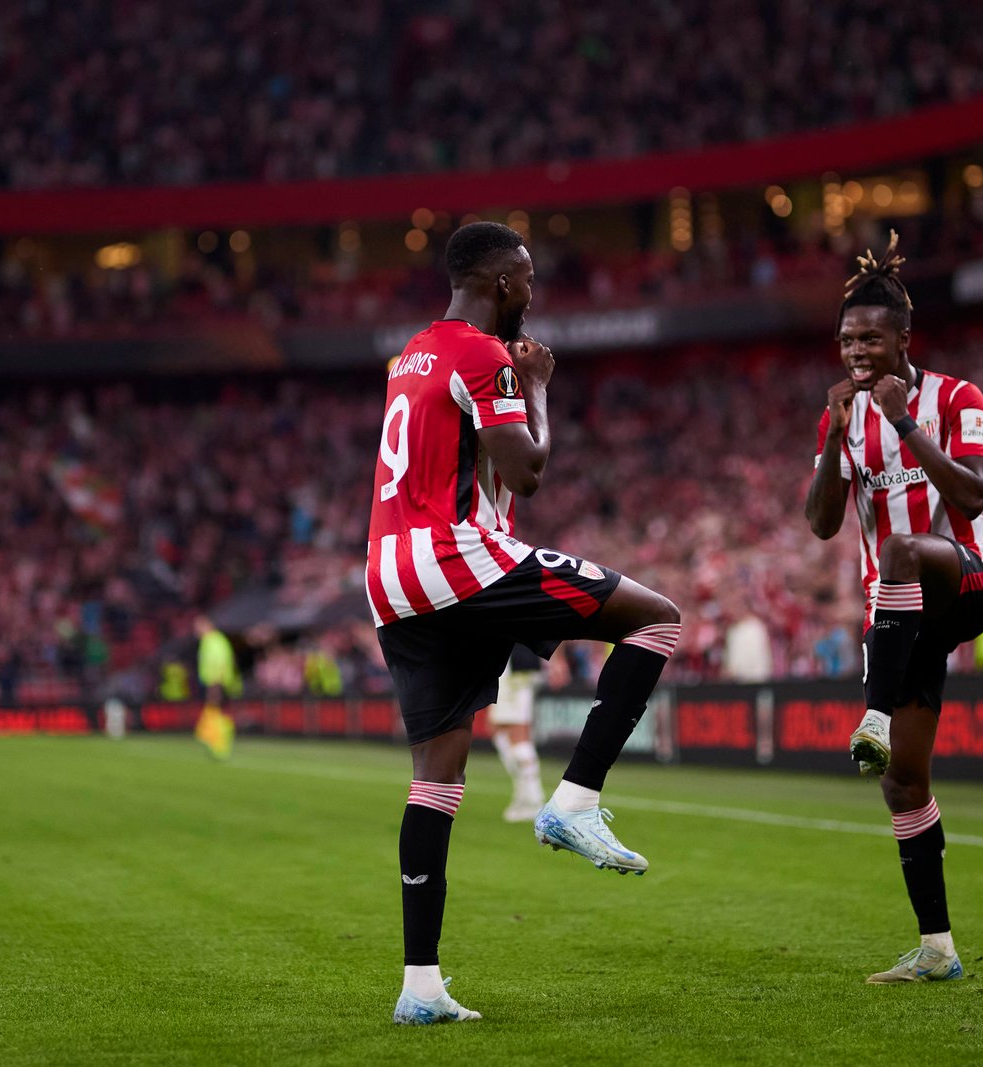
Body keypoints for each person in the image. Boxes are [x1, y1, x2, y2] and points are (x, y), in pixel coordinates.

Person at [370, 222, 681, 1025]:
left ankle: (420, 986)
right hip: (455, 555)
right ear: (503, 281)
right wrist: (537, 385)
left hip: (389, 570)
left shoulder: (411, 354)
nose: (533, 294)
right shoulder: (485, 355)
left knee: (436, 777)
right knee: (657, 621)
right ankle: (574, 800)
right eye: (529, 280)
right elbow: (527, 470)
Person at [804, 232, 983, 985]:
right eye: (847, 340)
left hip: (968, 578)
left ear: (903, 339)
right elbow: (822, 523)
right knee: (904, 784)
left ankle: (874, 715)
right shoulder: (840, 415)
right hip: (897, 610)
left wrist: (904, 423)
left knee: (901, 549)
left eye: (870, 338)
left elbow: (973, 496)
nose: (857, 351)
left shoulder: (955, 397)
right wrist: (834, 439)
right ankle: (937, 948)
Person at [488, 645, 545, 822]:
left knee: (517, 733)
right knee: (502, 732)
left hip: (513, 663)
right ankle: (525, 794)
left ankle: (533, 800)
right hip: (521, 660)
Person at [193, 615, 238, 761]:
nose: (196, 630)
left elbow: (219, 662)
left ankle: (219, 745)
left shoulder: (213, 641)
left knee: (216, 713)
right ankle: (215, 742)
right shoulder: (212, 641)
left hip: (216, 683)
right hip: (215, 682)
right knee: (216, 713)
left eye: (198, 626)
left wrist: (215, 683)